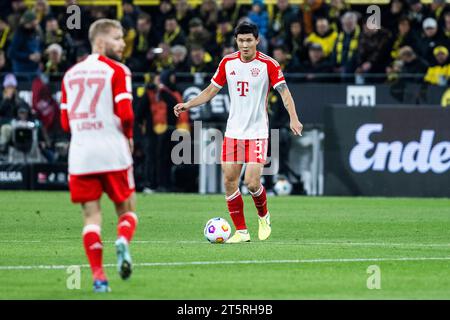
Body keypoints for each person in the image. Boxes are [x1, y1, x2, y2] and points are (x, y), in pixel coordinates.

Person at [174, 22, 303, 243]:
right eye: (241, 40)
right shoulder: (227, 62)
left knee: (252, 183)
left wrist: (294, 117)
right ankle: (241, 232)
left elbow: (284, 93)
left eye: (249, 40)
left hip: (257, 132)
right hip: (233, 132)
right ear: (236, 41)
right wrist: (189, 104)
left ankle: (264, 216)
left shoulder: (268, 65)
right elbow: (211, 90)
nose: (244, 45)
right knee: (230, 181)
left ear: (257, 41)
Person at [60, 19, 138, 293]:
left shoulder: (70, 74)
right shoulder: (118, 70)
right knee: (127, 211)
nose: (122, 43)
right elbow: (126, 114)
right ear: (101, 42)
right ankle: (122, 241)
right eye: (118, 38)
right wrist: (128, 137)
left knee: (91, 219)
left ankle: (99, 278)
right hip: (112, 150)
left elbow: (64, 123)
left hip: (81, 155)